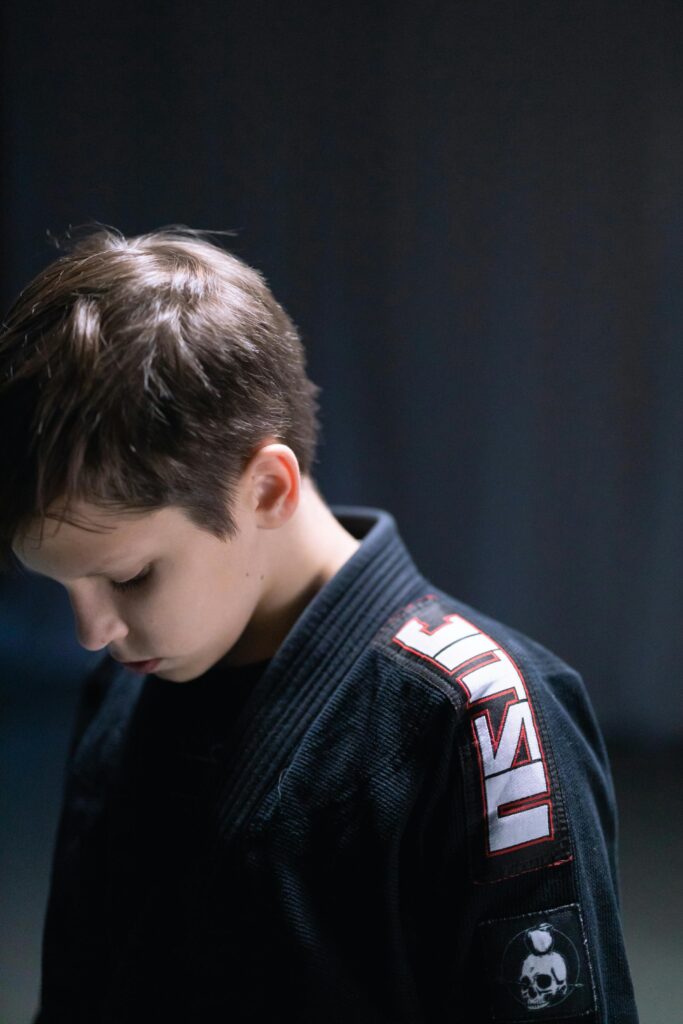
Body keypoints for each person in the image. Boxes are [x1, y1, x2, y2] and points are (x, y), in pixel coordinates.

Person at [0, 226, 638, 1023]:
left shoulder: (482, 724)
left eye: (129, 576)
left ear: (266, 489)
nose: (90, 632)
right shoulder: (122, 693)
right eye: (60, 587)